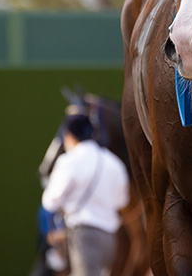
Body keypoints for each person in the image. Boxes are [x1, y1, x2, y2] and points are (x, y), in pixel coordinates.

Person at [42, 111, 129, 276]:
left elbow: (50, 200)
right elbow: (122, 201)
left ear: (69, 135)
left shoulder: (69, 161)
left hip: (85, 235)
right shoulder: (114, 163)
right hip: (110, 237)